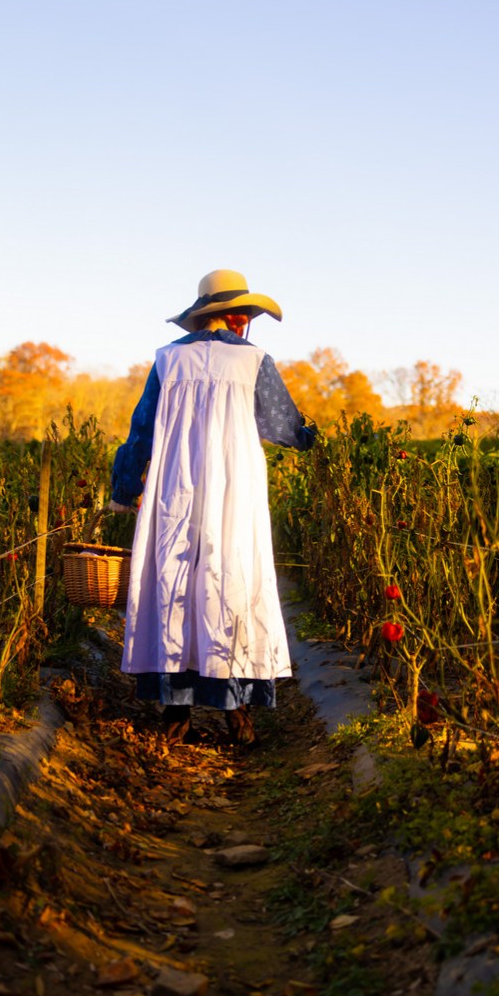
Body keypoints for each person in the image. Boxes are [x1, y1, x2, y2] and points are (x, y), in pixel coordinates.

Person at [108, 269, 316, 746]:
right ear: (238, 318)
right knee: (231, 577)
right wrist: (308, 438)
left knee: (173, 577)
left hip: (174, 486)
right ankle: (235, 708)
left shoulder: (166, 360)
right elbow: (282, 426)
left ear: (201, 317)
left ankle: (175, 710)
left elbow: (141, 433)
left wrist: (124, 489)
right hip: (234, 484)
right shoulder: (255, 361)